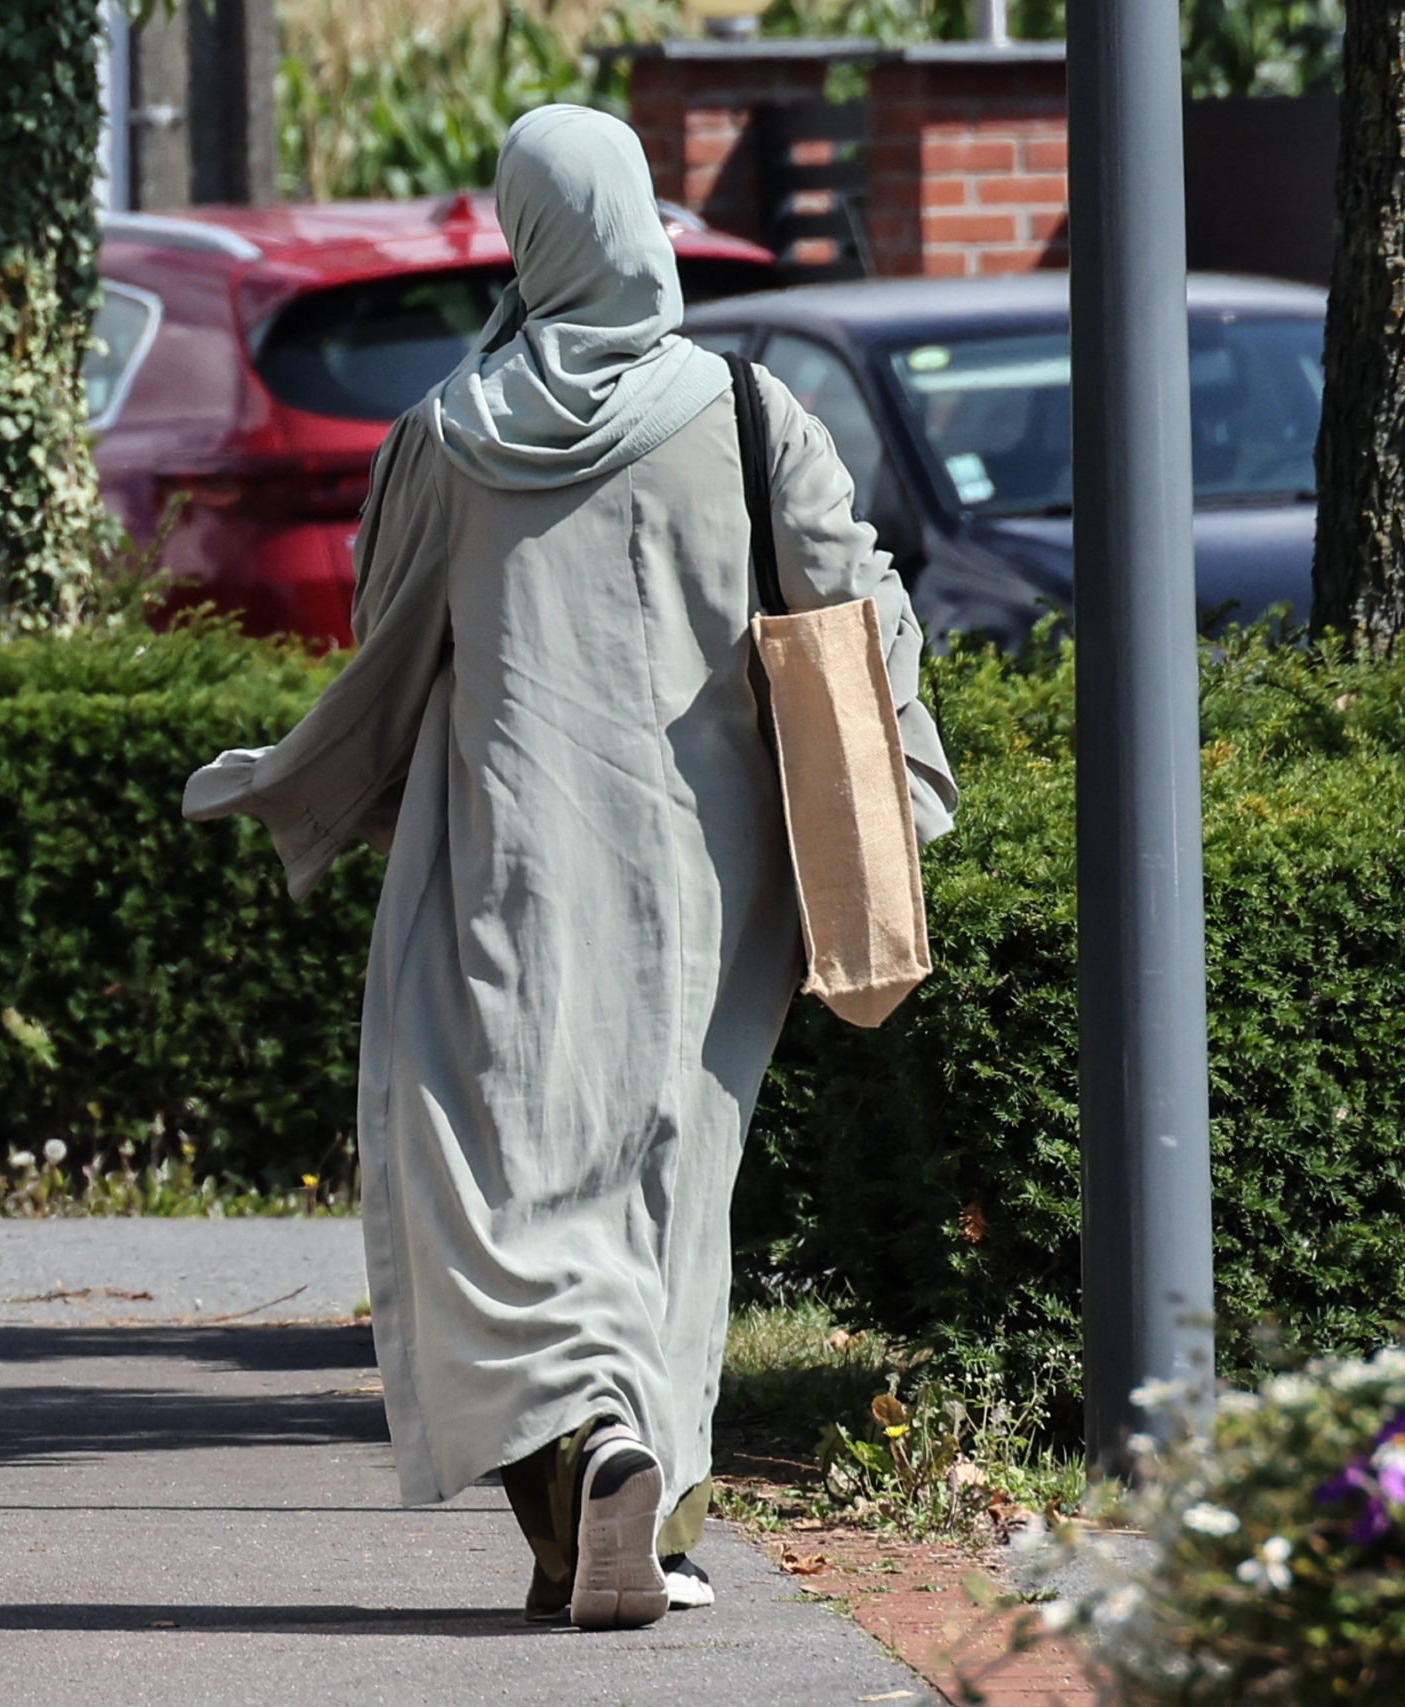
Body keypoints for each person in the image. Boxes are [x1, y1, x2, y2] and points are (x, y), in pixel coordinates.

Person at [181, 105, 957, 1630]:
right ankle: (648, 1497)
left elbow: (383, 636)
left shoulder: (450, 435)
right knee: (672, 1177)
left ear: (531, 237)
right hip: (712, 885)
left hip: (507, 866)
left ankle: (578, 1477)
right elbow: (861, 609)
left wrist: (305, 779)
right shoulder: (749, 413)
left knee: (502, 1181)